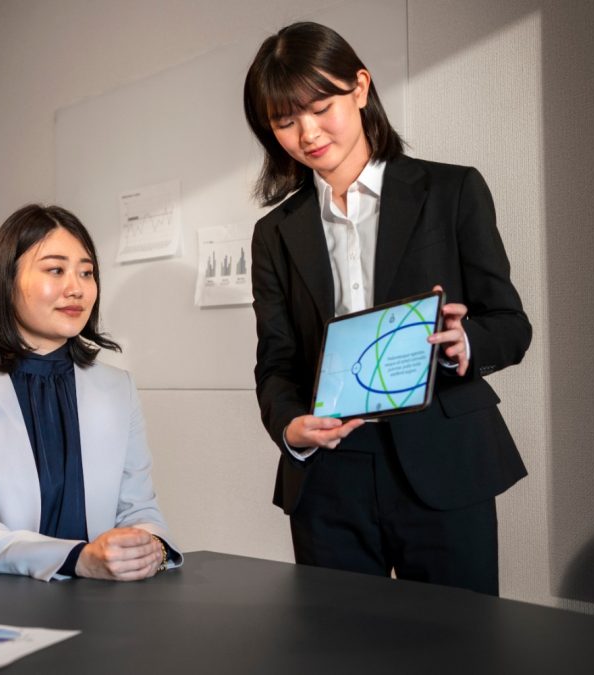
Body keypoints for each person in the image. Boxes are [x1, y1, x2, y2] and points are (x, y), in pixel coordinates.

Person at [244, 22, 530, 594]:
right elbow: (276, 362)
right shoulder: (274, 233)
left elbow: (511, 325)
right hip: (329, 471)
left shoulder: (451, 191)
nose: (307, 132)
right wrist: (290, 427)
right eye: (284, 121)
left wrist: (465, 341)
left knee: (459, 647)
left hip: (443, 459)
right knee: (340, 649)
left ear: (361, 87)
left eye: (320, 106)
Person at [0, 204, 181, 581]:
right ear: (1, 280)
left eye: (86, 272)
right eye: (55, 270)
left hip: (100, 601)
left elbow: (138, 508)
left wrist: (151, 547)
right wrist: (77, 558)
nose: (76, 288)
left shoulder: (117, 387)